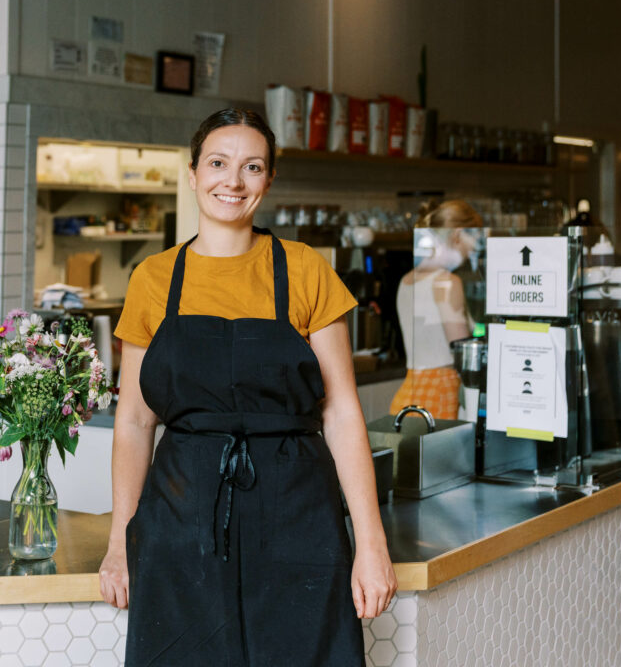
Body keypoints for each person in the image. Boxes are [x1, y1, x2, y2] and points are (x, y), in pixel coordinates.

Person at [99, 108, 397, 666]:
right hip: (181, 523)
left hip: (299, 520)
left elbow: (342, 415)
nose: (232, 182)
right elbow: (135, 422)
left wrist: (371, 544)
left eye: (251, 167)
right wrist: (121, 542)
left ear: (268, 180)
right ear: (192, 173)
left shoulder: (306, 270)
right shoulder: (153, 279)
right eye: (217, 163)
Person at [388, 199, 484, 420]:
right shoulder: (447, 281)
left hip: (408, 397)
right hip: (441, 396)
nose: (475, 248)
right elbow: (460, 350)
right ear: (458, 234)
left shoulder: (406, 280)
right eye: (475, 237)